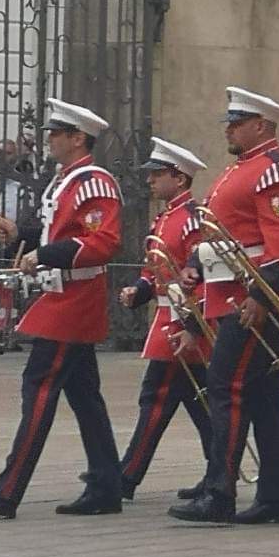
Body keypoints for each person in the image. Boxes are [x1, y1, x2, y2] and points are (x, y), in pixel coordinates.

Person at [0, 98, 127, 520]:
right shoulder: (65, 180)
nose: (49, 139)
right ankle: (106, 484)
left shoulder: (94, 182)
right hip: (62, 297)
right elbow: (55, 232)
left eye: (56, 133)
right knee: (84, 396)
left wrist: (43, 254)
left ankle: (8, 488)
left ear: (78, 138)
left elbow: (102, 243)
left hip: (73, 299)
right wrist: (20, 235)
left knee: (40, 387)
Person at [169, 87, 279, 527]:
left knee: (225, 387)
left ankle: (220, 492)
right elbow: (219, 233)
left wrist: (261, 297)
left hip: (252, 299)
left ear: (260, 126)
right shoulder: (240, 169)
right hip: (228, 293)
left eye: (237, 123)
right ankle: (278, 497)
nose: (228, 130)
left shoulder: (275, 172)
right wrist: (195, 266)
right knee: (265, 400)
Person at [116, 137, 215, 503]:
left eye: (157, 174)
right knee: (199, 404)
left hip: (182, 321)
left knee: (156, 397)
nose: (150, 181)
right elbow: (154, 270)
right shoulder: (165, 217)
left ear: (179, 178)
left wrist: (191, 326)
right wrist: (139, 291)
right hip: (167, 317)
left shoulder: (192, 220)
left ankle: (126, 476)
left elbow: (202, 276)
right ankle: (220, 472)